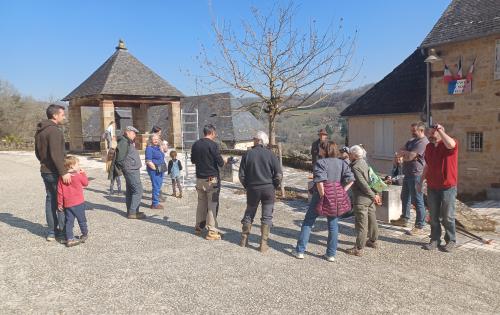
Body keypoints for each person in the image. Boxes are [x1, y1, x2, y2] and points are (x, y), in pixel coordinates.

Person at [293, 141, 354, 261]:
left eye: (320, 148)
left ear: (325, 150)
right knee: (333, 224)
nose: (318, 150)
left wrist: (323, 196)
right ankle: (331, 254)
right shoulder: (341, 163)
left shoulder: (321, 163)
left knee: (308, 221)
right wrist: (343, 191)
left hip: (322, 195)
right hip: (336, 195)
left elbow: (320, 182)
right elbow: (351, 179)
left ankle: (300, 251)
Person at [238, 131, 283, 252]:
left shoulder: (247, 154)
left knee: (249, 213)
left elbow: (241, 175)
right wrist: (273, 186)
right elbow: (278, 175)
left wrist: (248, 186)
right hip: (268, 189)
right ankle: (263, 244)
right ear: (264, 141)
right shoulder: (271, 155)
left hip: (253, 189)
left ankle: (244, 239)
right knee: (267, 216)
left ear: (258, 140)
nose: (253, 140)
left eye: (254, 139)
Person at [35, 104, 71, 242]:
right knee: (61, 202)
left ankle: (51, 232)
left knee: (50, 200)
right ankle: (62, 233)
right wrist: (63, 172)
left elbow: (37, 153)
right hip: (55, 172)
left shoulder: (40, 130)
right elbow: (56, 154)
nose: (64, 116)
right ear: (55, 115)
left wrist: (45, 163)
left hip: (45, 171)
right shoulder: (54, 131)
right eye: (62, 114)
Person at [420, 124, 458, 252]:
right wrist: (420, 181)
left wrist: (441, 130)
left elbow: (451, 145)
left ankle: (451, 240)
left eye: (433, 133)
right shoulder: (429, 147)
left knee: (448, 216)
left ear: (440, 133)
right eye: (429, 133)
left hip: (448, 187)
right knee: (434, 216)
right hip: (432, 187)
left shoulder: (448, 145)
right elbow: (427, 166)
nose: (430, 135)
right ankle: (435, 239)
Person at [391, 122, 429, 235]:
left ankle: (419, 225)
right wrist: (402, 155)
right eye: (412, 130)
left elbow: (411, 156)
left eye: (414, 131)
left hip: (417, 175)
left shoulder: (423, 142)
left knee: (417, 200)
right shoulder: (411, 141)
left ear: (421, 131)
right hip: (407, 174)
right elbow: (400, 152)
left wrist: (404, 154)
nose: (412, 132)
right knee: (404, 197)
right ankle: (404, 218)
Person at [191, 124, 225, 240]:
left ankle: (199, 226)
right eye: (215, 133)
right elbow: (220, 163)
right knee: (212, 203)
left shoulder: (196, 144)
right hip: (211, 178)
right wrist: (225, 160)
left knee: (201, 203)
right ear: (211, 133)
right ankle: (212, 231)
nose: (215, 136)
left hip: (199, 178)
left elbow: (193, 160)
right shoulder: (213, 145)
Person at [347, 145, 382, 256]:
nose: (348, 155)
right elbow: (372, 178)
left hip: (362, 198)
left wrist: (373, 195)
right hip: (370, 198)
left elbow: (363, 184)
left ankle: (359, 248)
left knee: (361, 224)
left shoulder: (355, 166)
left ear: (354, 155)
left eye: (350, 153)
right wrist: (375, 194)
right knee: (372, 220)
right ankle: (373, 241)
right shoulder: (364, 162)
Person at [57, 156, 89, 247]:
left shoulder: (62, 178)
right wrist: (83, 173)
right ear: (71, 166)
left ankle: (70, 238)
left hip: (68, 204)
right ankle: (84, 234)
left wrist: (60, 203)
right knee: (82, 220)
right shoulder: (78, 175)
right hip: (79, 203)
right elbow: (86, 183)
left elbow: (60, 192)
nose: (79, 166)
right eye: (77, 164)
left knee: (69, 222)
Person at [115, 126, 145, 219]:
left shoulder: (127, 141)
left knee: (131, 191)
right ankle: (132, 212)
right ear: (127, 132)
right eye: (133, 133)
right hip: (131, 169)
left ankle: (133, 211)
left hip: (131, 168)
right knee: (138, 190)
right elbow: (120, 158)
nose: (135, 135)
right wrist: (126, 166)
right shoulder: (124, 142)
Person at [145, 133, 166, 209]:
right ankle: (155, 204)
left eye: (157, 139)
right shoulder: (149, 148)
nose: (156, 141)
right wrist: (155, 169)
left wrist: (161, 148)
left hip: (161, 168)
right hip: (154, 170)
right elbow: (148, 161)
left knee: (159, 185)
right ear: (150, 140)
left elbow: (164, 152)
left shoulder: (158, 147)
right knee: (156, 186)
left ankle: (155, 201)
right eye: (154, 139)